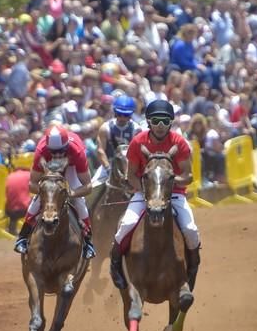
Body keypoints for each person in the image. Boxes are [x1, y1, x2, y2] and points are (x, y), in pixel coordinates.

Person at [108, 100, 201, 291]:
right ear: (148, 122)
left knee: (191, 230)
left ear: (170, 123)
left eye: (164, 121)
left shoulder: (179, 143)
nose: (160, 125)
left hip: (174, 194)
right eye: (156, 121)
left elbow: (188, 175)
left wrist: (167, 185)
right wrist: (148, 192)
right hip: (144, 194)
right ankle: (115, 265)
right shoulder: (137, 142)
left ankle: (192, 268)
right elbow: (131, 175)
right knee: (126, 225)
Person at [13, 124, 97, 259]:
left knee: (80, 203)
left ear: (66, 146)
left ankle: (88, 242)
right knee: (37, 201)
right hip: (49, 171)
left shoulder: (77, 151)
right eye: (54, 151)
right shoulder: (41, 151)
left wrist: (70, 193)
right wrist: (46, 193)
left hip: (71, 168)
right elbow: (32, 185)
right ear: (48, 148)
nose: (57, 155)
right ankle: (22, 237)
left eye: (61, 151)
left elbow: (88, 186)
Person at [93, 94, 142, 184]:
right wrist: (108, 168)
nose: (122, 118)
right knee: (93, 188)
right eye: (119, 114)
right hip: (109, 165)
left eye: (126, 115)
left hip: (130, 166)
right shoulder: (105, 128)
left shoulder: (136, 129)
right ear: (115, 112)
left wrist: (130, 170)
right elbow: (100, 150)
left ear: (131, 114)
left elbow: (137, 153)